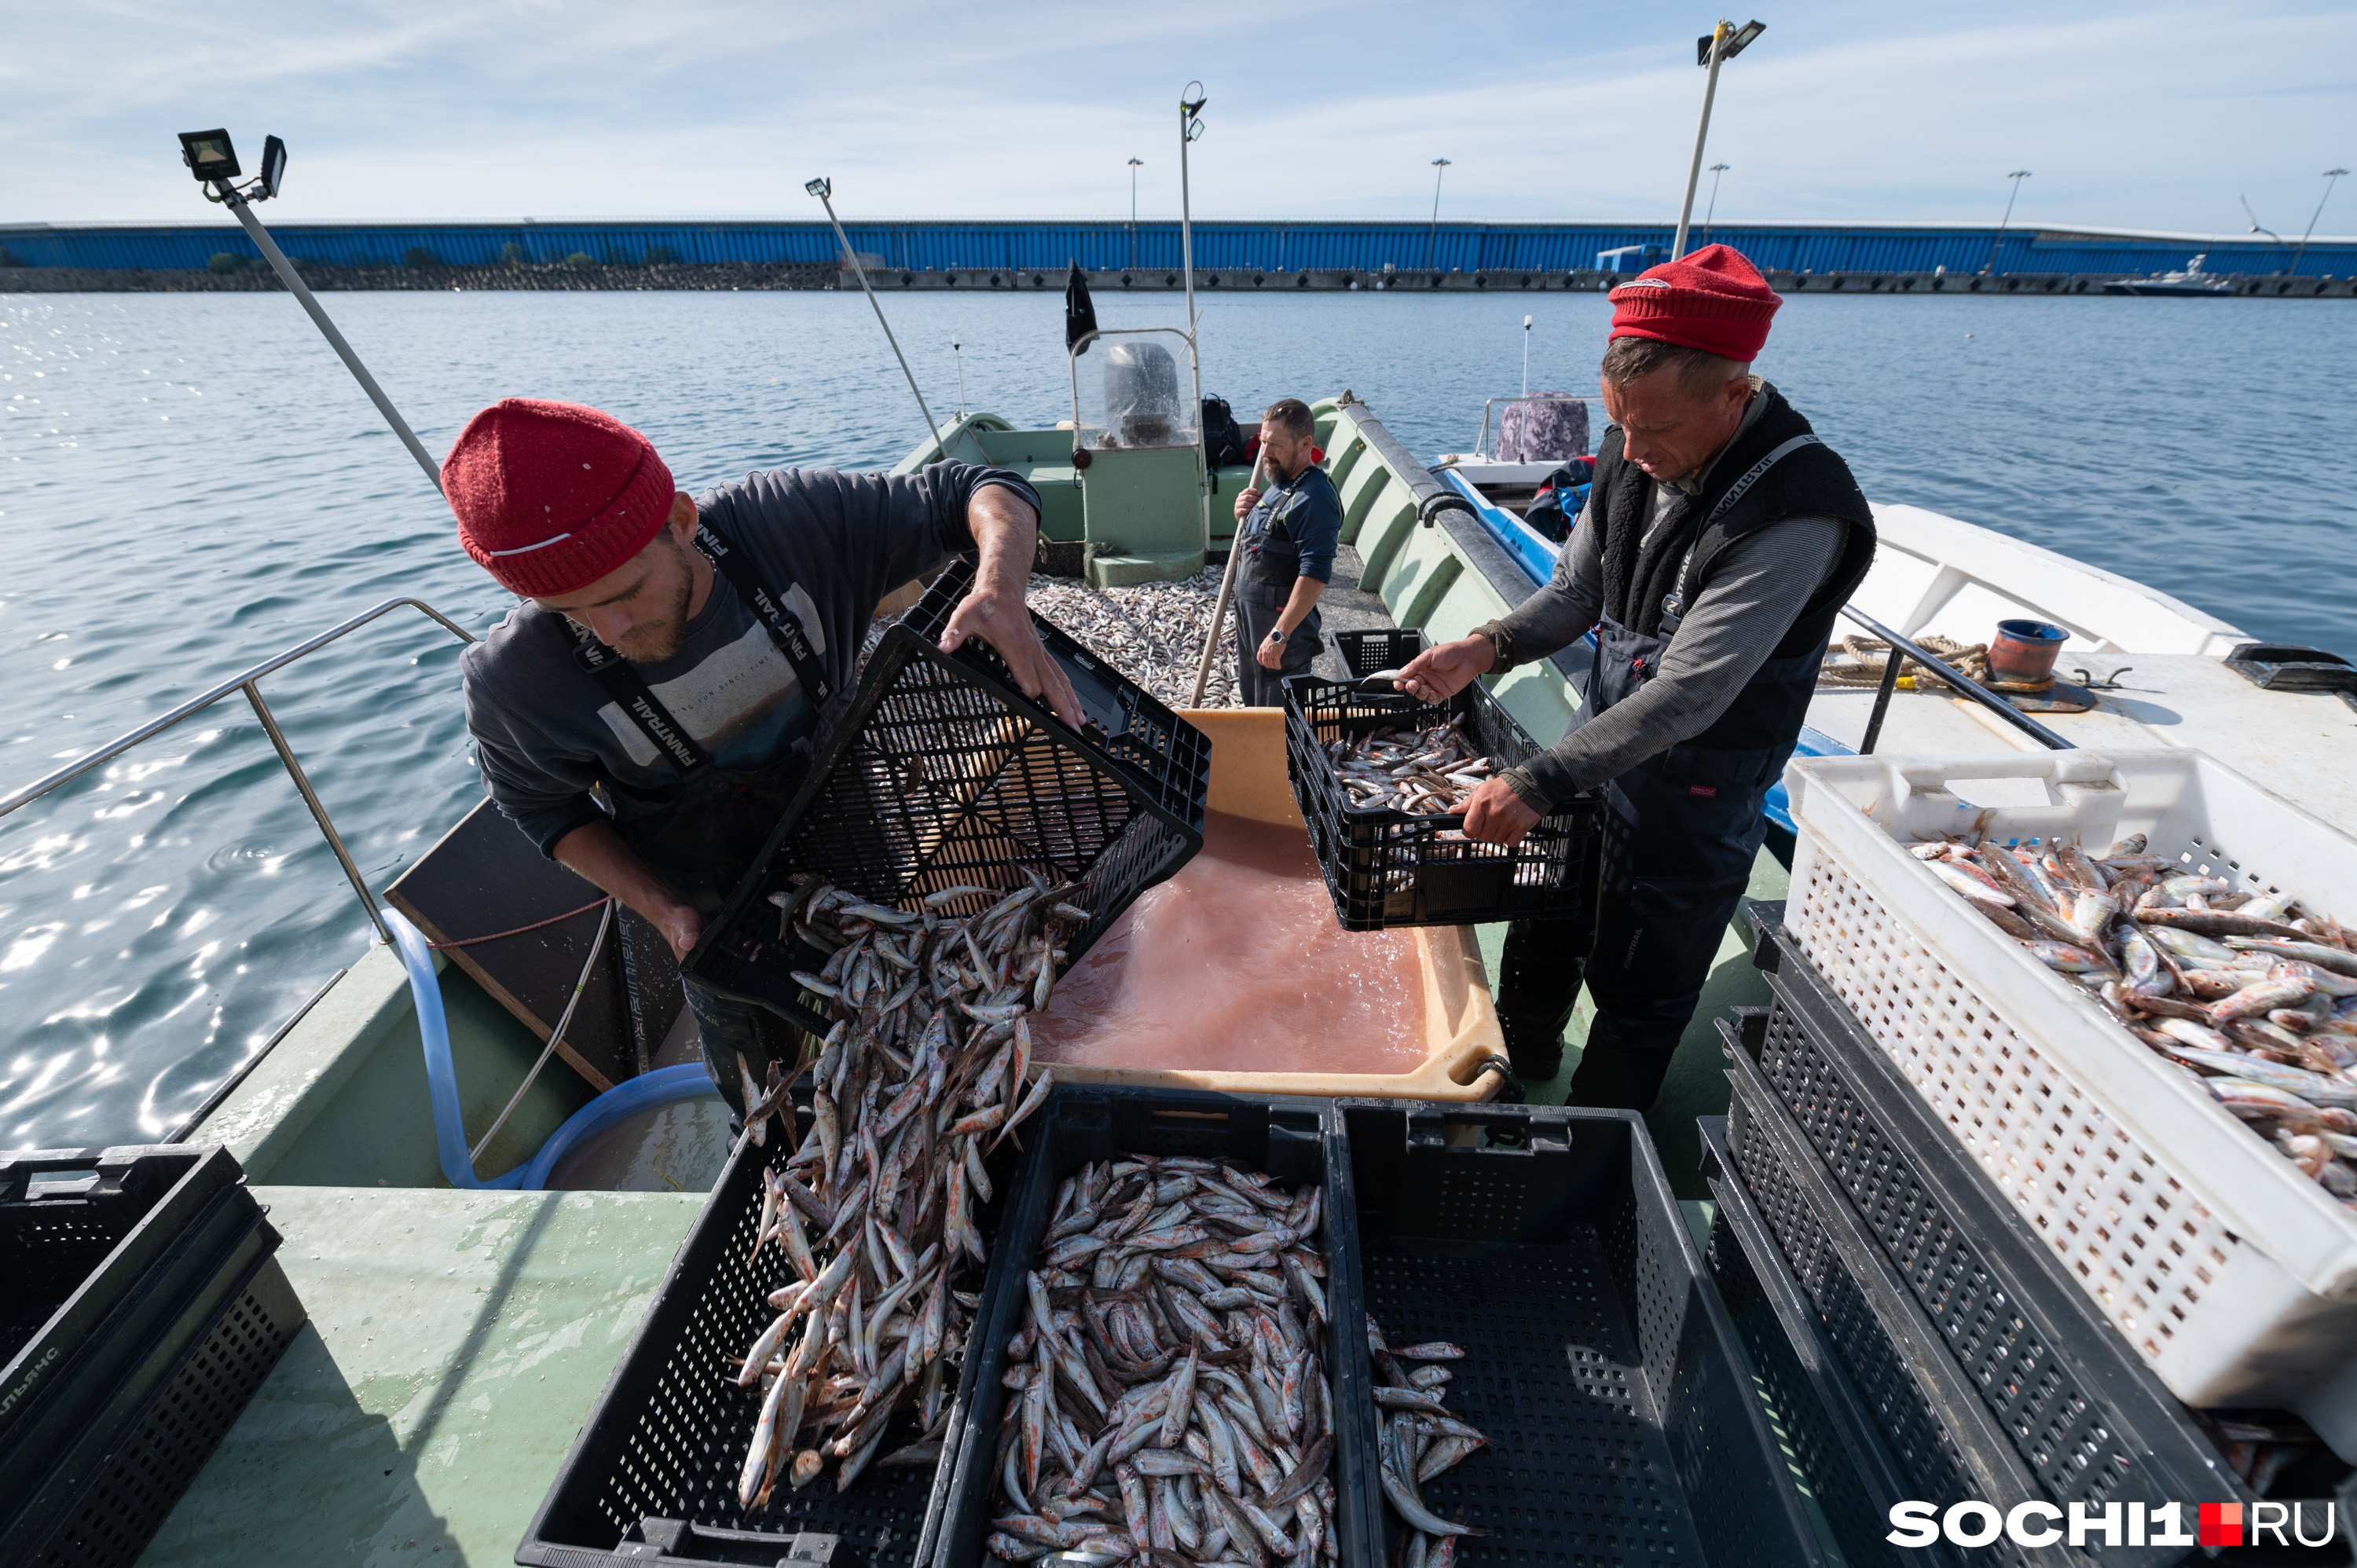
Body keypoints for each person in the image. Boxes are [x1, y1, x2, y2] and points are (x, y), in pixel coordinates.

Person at [447, 397, 1082, 1115]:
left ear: (682, 521)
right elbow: (542, 807)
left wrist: (999, 586)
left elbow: (983, 491)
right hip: (719, 928)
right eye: (569, 610)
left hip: (862, 863)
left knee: (902, 1055)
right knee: (771, 1108)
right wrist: (665, 910)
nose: (609, 628)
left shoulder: (788, 524)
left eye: (625, 591)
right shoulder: (514, 679)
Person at [1395, 246, 1878, 1109]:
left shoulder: (1798, 509)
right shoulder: (1629, 453)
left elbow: (1692, 691)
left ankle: (1591, 1144)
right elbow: (1579, 590)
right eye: (1622, 424)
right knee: (1547, 929)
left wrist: (1539, 779)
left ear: (1736, 394)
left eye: (1656, 430)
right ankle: (1518, 1077)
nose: (1635, 448)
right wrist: (1485, 647)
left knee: (1636, 991)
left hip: (1697, 791)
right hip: (1601, 745)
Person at [1230, 398, 1343, 706]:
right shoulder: (1281, 481)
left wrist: (1280, 636)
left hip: (1282, 634)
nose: (1264, 453)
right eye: (1263, 441)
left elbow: (1314, 575)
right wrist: (1246, 512)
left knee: (1279, 719)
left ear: (1305, 444)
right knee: (1255, 703)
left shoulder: (1315, 497)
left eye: (1275, 445)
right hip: (1252, 620)